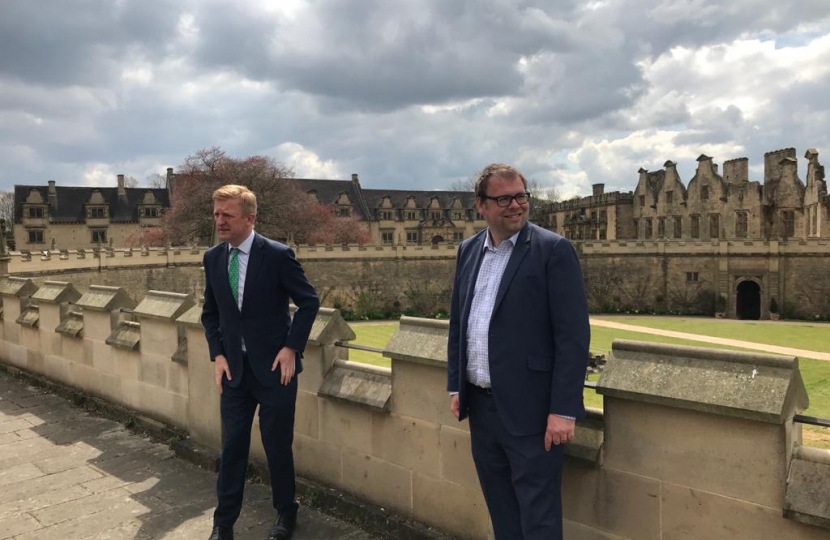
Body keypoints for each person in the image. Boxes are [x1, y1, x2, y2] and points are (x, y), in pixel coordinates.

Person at [446, 164, 590, 540]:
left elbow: (573, 337)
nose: (516, 205)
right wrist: (455, 386)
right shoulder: (467, 251)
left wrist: (563, 410)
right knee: (502, 512)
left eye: (521, 196)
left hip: (533, 411)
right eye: (504, 198)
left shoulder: (553, 250)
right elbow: (460, 324)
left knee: (538, 520)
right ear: (481, 205)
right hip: (481, 408)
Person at [202, 185, 320, 540]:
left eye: (228, 215)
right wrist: (218, 354)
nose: (220, 221)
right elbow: (211, 314)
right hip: (235, 373)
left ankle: (286, 513)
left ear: (250, 218)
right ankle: (223, 525)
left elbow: (309, 302)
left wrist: (291, 348)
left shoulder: (278, 255)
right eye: (217, 214)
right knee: (232, 447)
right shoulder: (213, 258)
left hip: (275, 371)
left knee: (276, 446)